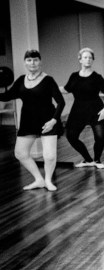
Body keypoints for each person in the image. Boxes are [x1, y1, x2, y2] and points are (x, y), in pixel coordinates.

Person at [0, 50, 65, 191]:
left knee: (49, 156)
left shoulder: (48, 80)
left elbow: (61, 102)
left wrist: (54, 120)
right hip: (28, 121)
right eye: (29, 60)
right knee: (20, 153)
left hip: (47, 122)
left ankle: (48, 180)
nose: (32, 63)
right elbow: (6, 96)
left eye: (35, 60)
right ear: (25, 63)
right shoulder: (21, 80)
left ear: (40, 62)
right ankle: (39, 179)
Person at [61, 48, 104, 169]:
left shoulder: (97, 77)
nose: (88, 59)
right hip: (78, 110)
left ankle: (97, 160)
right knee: (71, 136)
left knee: (99, 137)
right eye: (85, 57)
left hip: (95, 109)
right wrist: (50, 87)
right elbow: (66, 89)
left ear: (92, 60)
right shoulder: (74, 76)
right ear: (80, 60)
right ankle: (88, 159)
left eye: (90, 57)